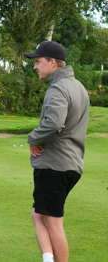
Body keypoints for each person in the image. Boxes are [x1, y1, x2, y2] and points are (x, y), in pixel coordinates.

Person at [24, 41, 89, 262]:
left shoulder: (58, 88)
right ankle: (48, 258)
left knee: (52, 221)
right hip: (70, 165)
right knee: (39, 214)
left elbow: (53, 124)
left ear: (52, 63)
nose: (35, 67)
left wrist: (33, 139)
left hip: (54, 165)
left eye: (38, 62)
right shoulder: (78, 86)